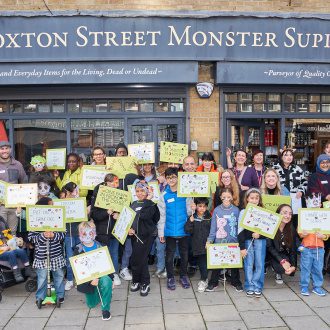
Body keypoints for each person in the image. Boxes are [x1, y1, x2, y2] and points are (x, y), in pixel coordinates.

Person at [28, 197, 66, 307]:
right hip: (42, 256)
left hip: (56, 255)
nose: (53, 207)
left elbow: (63, 234)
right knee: (42, 277)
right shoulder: (35, 220)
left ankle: (60, 295)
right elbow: (32, 238)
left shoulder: (57, 218)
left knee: (58, 275)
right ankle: (40, 296)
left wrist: (54, 235)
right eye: (50, 205)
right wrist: (43, 235)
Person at [158, 167, 191, 290]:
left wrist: (192, 208)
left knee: (184, 255)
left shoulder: (186, 193)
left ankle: (183, 275)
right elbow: (162, 216)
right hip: (169, 231)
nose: (171, 179)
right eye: (168, 177)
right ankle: (170, 277)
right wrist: (161, 232)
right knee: (169, 255)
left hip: (184, 230)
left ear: (178, 178)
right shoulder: (164, 195)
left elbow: (189, 212)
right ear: (166, 179)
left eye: (173, 177)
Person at [205, 188, 242, 292]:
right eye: (224, 197)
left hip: (233, 242)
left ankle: (236, 282)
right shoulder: (217, 210)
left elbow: (239, 227)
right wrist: (209, 240)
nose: (226, 199)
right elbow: (213, 227)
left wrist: (240, 242)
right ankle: (213, 282)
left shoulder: (236, 210)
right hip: (219, 242)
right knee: (217, 263)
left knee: (235, 264)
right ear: (221, 197)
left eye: (228, 196)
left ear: (232, 197)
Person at [75, 221, 113, 321]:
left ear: (94, 233)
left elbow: (108, 264)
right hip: (88, 281)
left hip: (102, 276)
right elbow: (78, 271)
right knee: (91, 304)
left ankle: (105, 309)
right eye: (84, 233)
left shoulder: (101, 246)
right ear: (80, 234)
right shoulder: (78, 250)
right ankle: (99, 291)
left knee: (107, 282)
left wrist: (111, 279)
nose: (87, 236)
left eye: (90, 233)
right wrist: (90, 281)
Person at [90, 173, 122, 286]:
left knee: (114, 253)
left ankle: (115, 274)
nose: (114, 184)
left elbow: (126, 212)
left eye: (116, 182)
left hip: (115, 231)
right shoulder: (99, 194)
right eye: (111, 182)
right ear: (106, 183)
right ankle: (104, 276)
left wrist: (119, 215)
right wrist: (106, 213)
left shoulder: (120, 195)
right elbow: (94, 214)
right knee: (102, 254)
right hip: (102, 231)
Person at [129, 181, 160, 296]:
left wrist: (149, 200)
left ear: (147, 191)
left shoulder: (151, 204)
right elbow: (130, 218)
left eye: (142, 191)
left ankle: (145, 283)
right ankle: (136, 280)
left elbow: (145, 215)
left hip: (147, 236)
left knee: (141, 259)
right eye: (137, 191)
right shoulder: (133, 203)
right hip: (135, 236)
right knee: (135, 259)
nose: (140, 193)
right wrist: (129, 229)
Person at [238, 188, 266, 297]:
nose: (254, 200)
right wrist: (242, 248)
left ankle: (257, 285)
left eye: (256, 198)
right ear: (247, 199)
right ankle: (249, 285)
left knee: (259, 263)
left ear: (259, 199)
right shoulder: (243, 212)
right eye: (252, 198)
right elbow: (240, 231)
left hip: (260, 241)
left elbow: (268, 230)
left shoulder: (263, 212)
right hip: (248, 241)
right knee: (249, 264)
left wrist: (260, 234)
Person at [298, 198, 329, 296]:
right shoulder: (304, 217)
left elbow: (327, 235)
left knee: (318, 268)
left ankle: (317, 287)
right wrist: (303, 234)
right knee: (305, 268)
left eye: (317, 203)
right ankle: (304, 286)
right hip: (306, 248)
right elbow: (300, 234)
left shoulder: (324, 217)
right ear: (307, 204)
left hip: (319, 248)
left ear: (320, 205)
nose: (314, 205)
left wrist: (323, 236)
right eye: (311, 203)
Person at [184, 197, 211, 292]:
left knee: (205, 263)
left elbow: (213, 231)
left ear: (207, 207)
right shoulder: (192, 217)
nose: (202, 208)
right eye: (200, 206)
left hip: (208, 244)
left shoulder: (210, 217)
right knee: (202, 263)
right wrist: (190, 222)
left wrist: (210, 241)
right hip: (197, 245)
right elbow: (187, 230)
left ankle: (204, 279)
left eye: (204, 206)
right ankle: (204, 279)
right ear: (195, 206)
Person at [0, 140, 27, 234]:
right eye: (2, 149)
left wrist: (22, 201)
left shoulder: (17, 165)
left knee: (13, 232)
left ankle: (13, 249)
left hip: (14, 205)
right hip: (1, 205)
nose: (4, 151)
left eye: (6, 148)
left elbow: (24, 181)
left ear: (10, 149)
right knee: (2, 232)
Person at [266, 204, 296, 285]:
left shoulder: (291, 229)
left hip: (281, 253)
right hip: (268, 254)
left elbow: (293, 249)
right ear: (278, 213)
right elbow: (269, 247)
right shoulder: (271, 225)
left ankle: (278, 269)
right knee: (280, 265)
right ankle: (268, 266)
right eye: (285, 213)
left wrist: (293, 266)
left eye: (290, 214)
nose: (288, 216)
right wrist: (282, 261)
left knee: (288, 268)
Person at [0, 215, 34, 282]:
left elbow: (12, 239)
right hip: (2, 252)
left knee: (21, 251)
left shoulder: (5, 234)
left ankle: (28, 269)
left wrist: (17, 240)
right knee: (11, 253)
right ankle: (16, 273)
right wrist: (3, 248)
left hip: (9, 248)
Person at [60, 182, 81, 291]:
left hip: (79, 234)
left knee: (80, 256)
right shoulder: (62, 203)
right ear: (67, 192)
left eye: (77, 190)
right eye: (73, 191)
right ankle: (69, 279)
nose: (76, 193)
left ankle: (80, 279)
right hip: (68, 234)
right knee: (69, 258)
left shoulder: (80, 202)